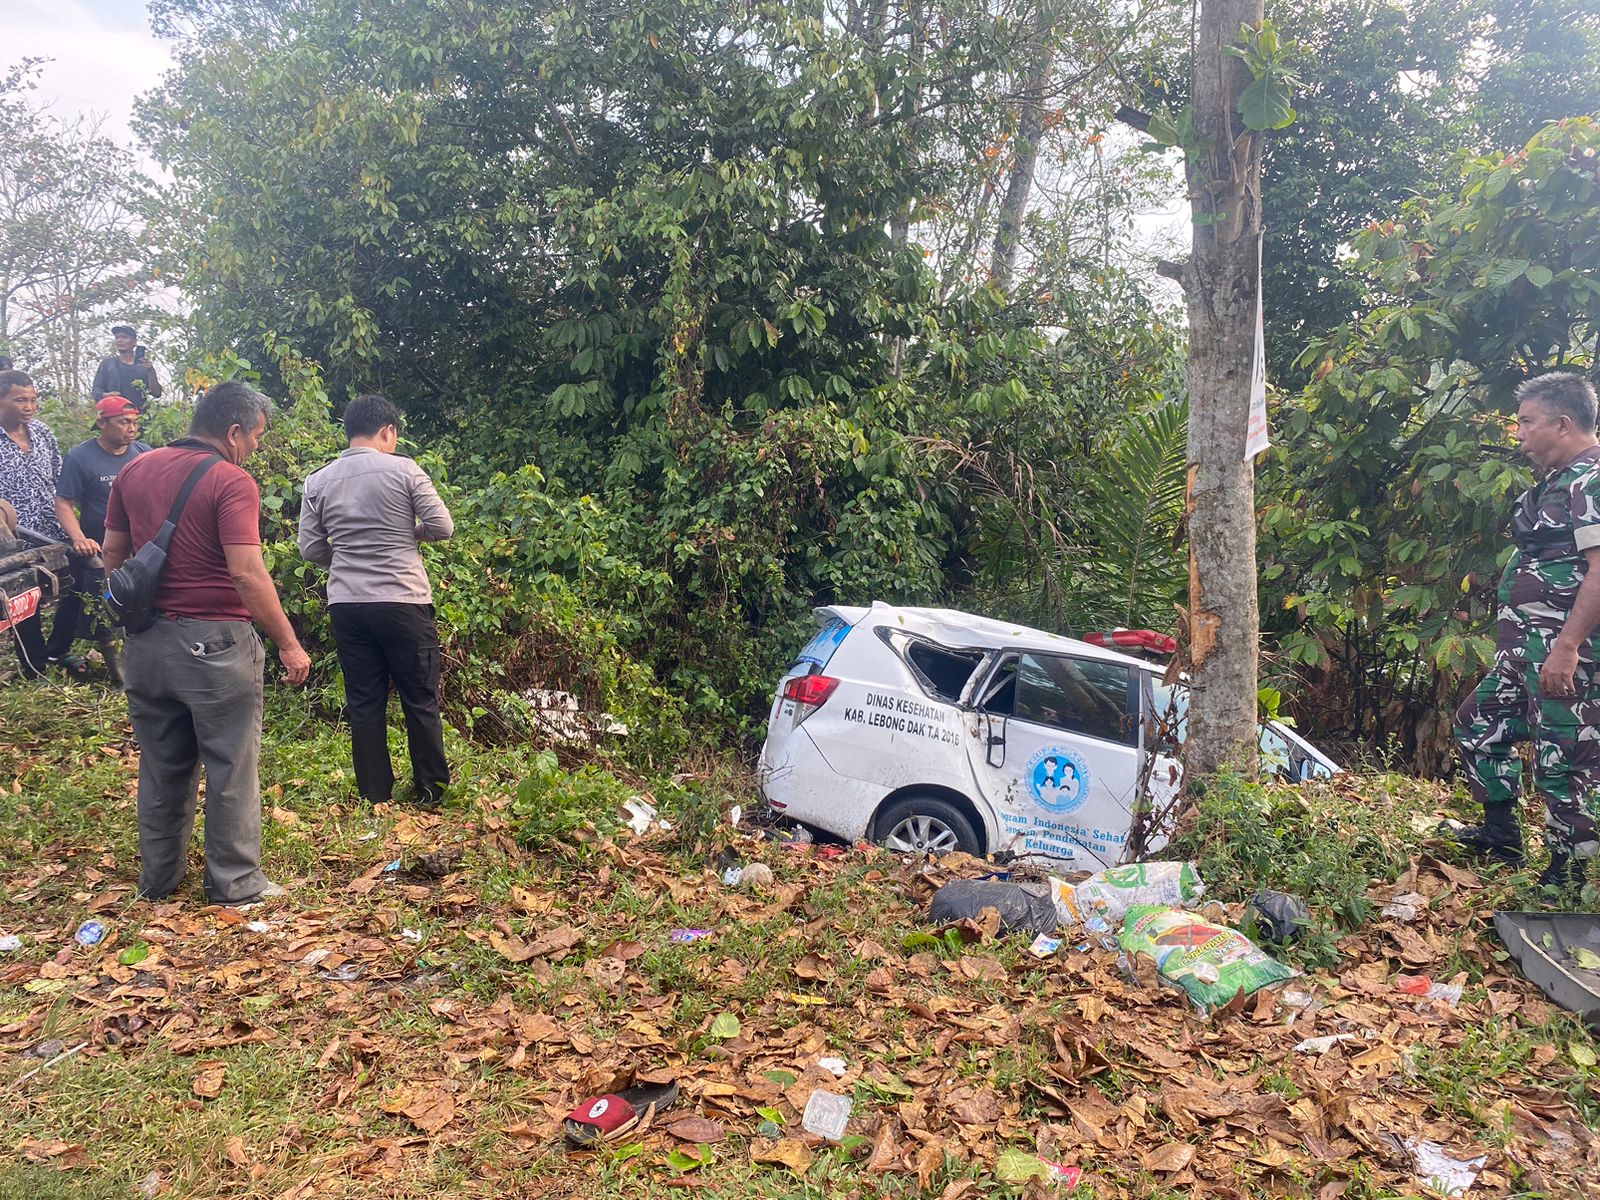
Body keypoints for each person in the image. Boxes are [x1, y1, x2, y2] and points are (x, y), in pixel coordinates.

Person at [102, 381, 311, 906]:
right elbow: (246, 573)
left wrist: (137, 619)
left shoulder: (134, 469)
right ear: (233, 431)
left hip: (146, 642)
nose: (257, 448)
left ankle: (159, 879)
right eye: (257, 437)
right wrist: (288, 643)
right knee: (230, 763)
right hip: (215, 645)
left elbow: (113, 554)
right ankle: (236, 883)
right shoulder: (231, 480)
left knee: (161, 764)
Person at [1453, 372, 1600, 890]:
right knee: (1477, 723)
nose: (1518, 433)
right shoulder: (1558, 482)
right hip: (1526, 653)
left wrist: (1568, 645)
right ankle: (1501, 835)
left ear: (1563, 424)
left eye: (1526, 422)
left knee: (1565, 761)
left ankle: (1572, 874)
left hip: (1568, 656)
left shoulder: (1594, 479)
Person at [299, 394, 454, 807]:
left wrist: (348, 557)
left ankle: (374, 793)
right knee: (419, 698)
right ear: (388, 431)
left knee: (364, 700)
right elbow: (442, 526)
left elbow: (311, 550)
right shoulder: (405, 470)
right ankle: (431, 792)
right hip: (403, 599)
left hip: (348, 604)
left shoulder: (318, 480)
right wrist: (409, 535)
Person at [53, 395, 152, 677]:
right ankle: (64, 652)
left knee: (136, 601)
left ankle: (138, 657)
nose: (131, 428)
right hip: (96, 549)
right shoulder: (81, 457)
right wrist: (79, 538)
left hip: (136, 549)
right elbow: (63, 503)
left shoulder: (144, 454)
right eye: (123, 422)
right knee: (88, 601)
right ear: (102, 423)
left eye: (134, 422)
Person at [0, 369, 74, 678]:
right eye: (20, 400)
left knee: (76, 587)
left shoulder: (42, 432)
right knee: (24, 602)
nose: (29, 407)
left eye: (33, 400)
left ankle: (57, 649)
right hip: (12, 538)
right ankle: (35, 668)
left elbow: (58, 477)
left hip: (51, 529)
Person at [91, 325, 163, 410]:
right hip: (114, 415)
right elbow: (96, 390)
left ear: (134, 342)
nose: (120, 340)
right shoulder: (107, 364)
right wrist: (106, 395)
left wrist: (151, 371)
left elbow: (156, 393)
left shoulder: (143, 366)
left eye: (124, 337)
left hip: (139, 417)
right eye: (117, 337)